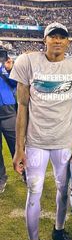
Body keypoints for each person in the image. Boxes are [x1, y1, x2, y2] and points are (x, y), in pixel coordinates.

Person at [10, 22, 72, 240]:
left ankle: (59, 230)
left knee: (64, 189)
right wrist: (19, 148)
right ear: (44, 40)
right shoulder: (28, 62)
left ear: (68, 42)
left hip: (63, 142)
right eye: (52, 36)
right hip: (36, 142)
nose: (57, 40)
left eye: (61, 37)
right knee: (34, 190)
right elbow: (22, 107)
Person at [0, 56, 17, 193]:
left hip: (8, 110)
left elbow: (15, 84)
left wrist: (10, 69)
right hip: (7, 108)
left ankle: (25, 173)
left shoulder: (5, 68)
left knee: (16, 144)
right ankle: (1, 178)